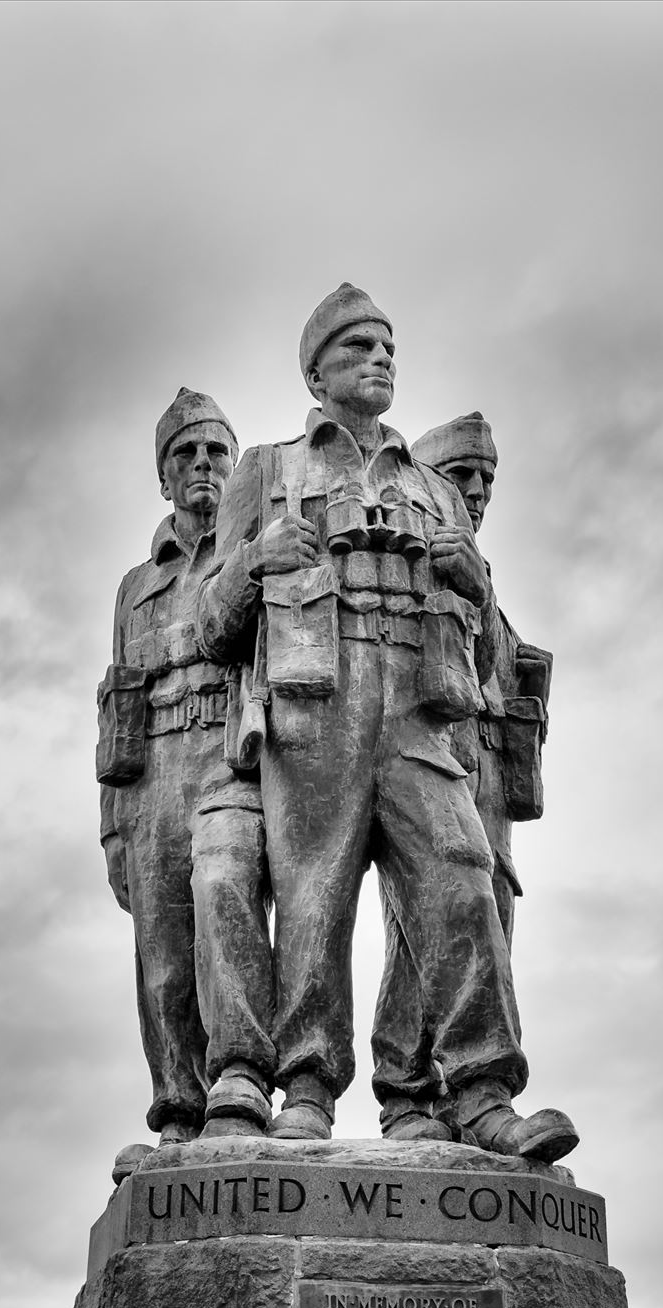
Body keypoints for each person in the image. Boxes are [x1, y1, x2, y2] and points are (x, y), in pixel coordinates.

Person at [198, 287, 576, 1162]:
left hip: (413, 712)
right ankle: (304, 1087)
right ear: (315, 370)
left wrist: (473, 583)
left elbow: (486, 669)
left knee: (459, 872)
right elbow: (216, 629)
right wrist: (257, 561)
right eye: (359, 346)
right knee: (313, 899)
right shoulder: (267, 467)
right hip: (314, 707)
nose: (380, 360)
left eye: (389, 348)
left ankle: (482, 1093)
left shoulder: (433, 489)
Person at [97, 389, 274, 1145]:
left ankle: (240, 1079)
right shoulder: (135, 586)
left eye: (215, 454)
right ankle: (177, 1112)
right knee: (163, 958)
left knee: (223, 884)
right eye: (185, 455)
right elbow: (115, 702)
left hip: (227, 760)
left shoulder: (253, 550)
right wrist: (112, 832)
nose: (202, 465)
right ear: (164, 477)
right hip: (150, 778)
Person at [371, 412, 552, 1139]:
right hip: (423, 766)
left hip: (488, 796)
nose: (475, 492)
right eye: (460, 476)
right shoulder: (406, 565)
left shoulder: (487, 592)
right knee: (420, 934)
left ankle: (453, 1098)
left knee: (486, 925)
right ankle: (408, 1091)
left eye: (486, 480)